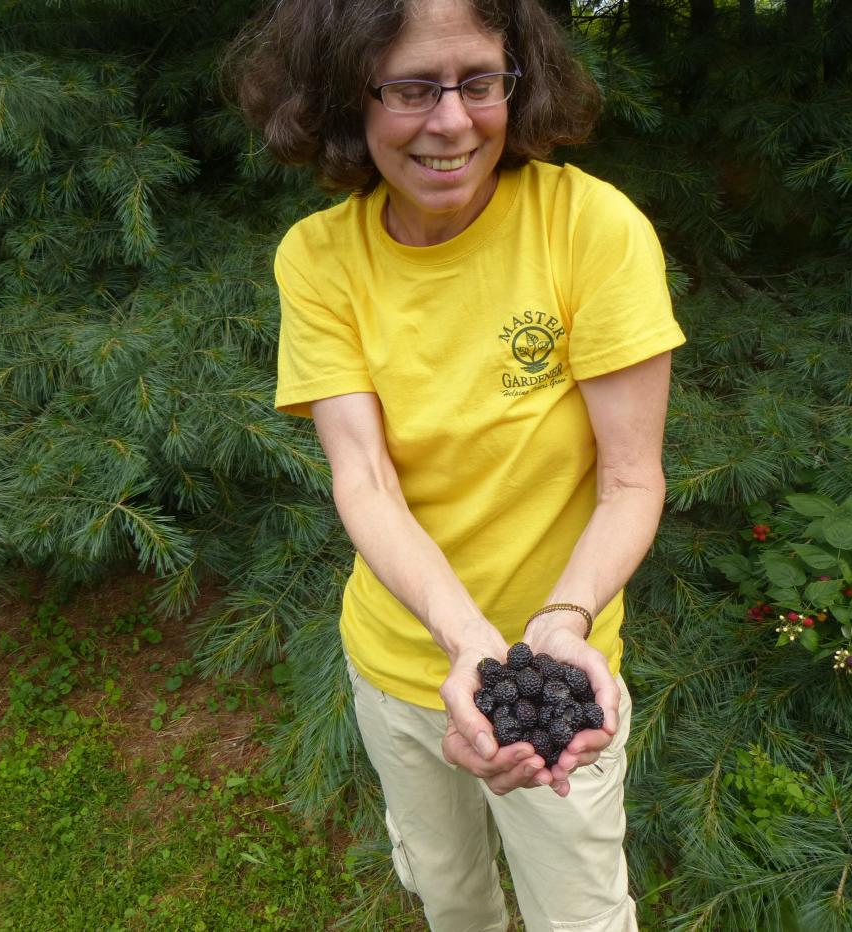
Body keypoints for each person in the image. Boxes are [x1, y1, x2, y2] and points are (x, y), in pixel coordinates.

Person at [235, 0, 685, 928]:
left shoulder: (591, 229)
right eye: (409, 88)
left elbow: (632, 481)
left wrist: (556, 626)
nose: (451, 121)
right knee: (449, 895)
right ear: (340, 99)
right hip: (400, 666)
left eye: (478, 82)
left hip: (564, 678)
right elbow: (364, 479)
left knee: (581, 916)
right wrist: (466, 644)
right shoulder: (319, 259)